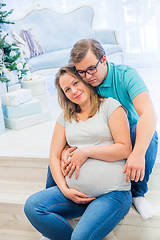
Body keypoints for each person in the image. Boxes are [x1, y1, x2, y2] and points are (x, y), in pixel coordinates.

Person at [46, 39, 158, 220]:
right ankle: (53, 207)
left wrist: (138, 153)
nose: (88, 76)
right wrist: (66, 149)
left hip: (125, 135)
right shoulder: (83, 82)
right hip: (98, 136)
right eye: (81, 72)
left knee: (146, 134)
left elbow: (149, 114)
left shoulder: (126, 75)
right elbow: (78, 122)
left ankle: (138, 194)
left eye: (91, 69)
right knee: (58, 156)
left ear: (104, 59)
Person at [24, 63, 132, 240]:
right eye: (67, 89)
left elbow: (125, 149)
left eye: (75, 83)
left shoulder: (110, 106)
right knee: (33, 206)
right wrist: (64, 190)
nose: (73, 91)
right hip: (76, 196)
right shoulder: (65, 116)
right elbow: (54, 155)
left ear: (85, 80)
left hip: (112, 193)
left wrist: (86, 152)